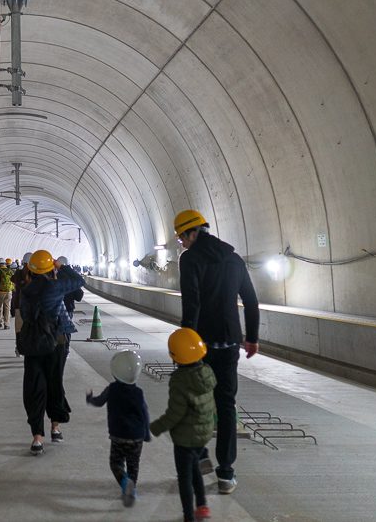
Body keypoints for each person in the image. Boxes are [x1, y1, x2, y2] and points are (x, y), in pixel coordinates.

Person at [175, 209, 260, 494]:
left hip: (200, 346)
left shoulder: (190, 260)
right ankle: (226, 474)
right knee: (225, 407)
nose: (182, 244)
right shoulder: (234, 259)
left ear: (192, 233)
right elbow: (250, 300)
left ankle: (199, 458)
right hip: (229, 345)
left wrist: (185, 344)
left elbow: (192, 304)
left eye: (181, 238)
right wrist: (252, 338)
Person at [17, 249, 84, 455]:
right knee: (55, 382)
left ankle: (37, 437)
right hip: (55, 341)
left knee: (35, 386)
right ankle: (55, 427)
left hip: (33, 344)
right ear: (50, 268)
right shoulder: (54, 287)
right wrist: (60, 265)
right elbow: (78, 280)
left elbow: (24, 317)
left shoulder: (25, 291)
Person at [149, 328, 217, 522]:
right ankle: (202, 505)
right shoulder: (207, 372)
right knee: (195, 469)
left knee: (185, 478)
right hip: (203, 434)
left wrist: (155, 427)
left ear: (175, 356)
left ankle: (189, 516)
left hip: (185, 439)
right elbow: (212, 404)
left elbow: (175, 414)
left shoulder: (179, 380)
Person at [86, 349, 151, 507]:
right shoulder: (138, 393)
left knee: (115, 463)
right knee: (133, 465)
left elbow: (99, 401)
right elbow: (144, 413)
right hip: (136, 437)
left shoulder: (112, 389)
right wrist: (146, 433)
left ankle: (124, 482)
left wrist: (90, 399)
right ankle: (132, 489)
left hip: (118, 435)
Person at [0, 258, 14, 329]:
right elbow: (13, 281)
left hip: (0, 292)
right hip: (9, 292)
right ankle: (7, 324)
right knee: (7, 308)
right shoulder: (10, 271)